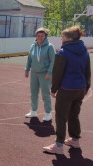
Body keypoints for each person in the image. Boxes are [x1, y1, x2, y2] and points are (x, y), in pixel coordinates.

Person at [43, 26, 91, 155]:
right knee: (74, 114)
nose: (61, 38)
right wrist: (87, 86)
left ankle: (58, 145)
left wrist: (53, 89)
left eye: (63, 36)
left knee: (61, 116)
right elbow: (88, 70)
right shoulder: (85, 51)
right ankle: (75, 139)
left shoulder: (63, 52)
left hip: (67, 88)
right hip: (81, 88)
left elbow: (57, 73)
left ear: (69, 38)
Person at [25, 27, 56, 121]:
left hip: (44, 73)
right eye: (38, 35)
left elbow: (53, 61)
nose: (40, 37)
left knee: (45, 94)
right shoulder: (33, 46)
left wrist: (49, 72)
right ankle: (33, 111)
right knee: (33, 93)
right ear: (36, 36)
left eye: (42, 36)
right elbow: (29, 59)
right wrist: (27, 70)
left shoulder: (50, 46)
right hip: (34, 73)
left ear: (45, 36)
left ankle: (48, 113)